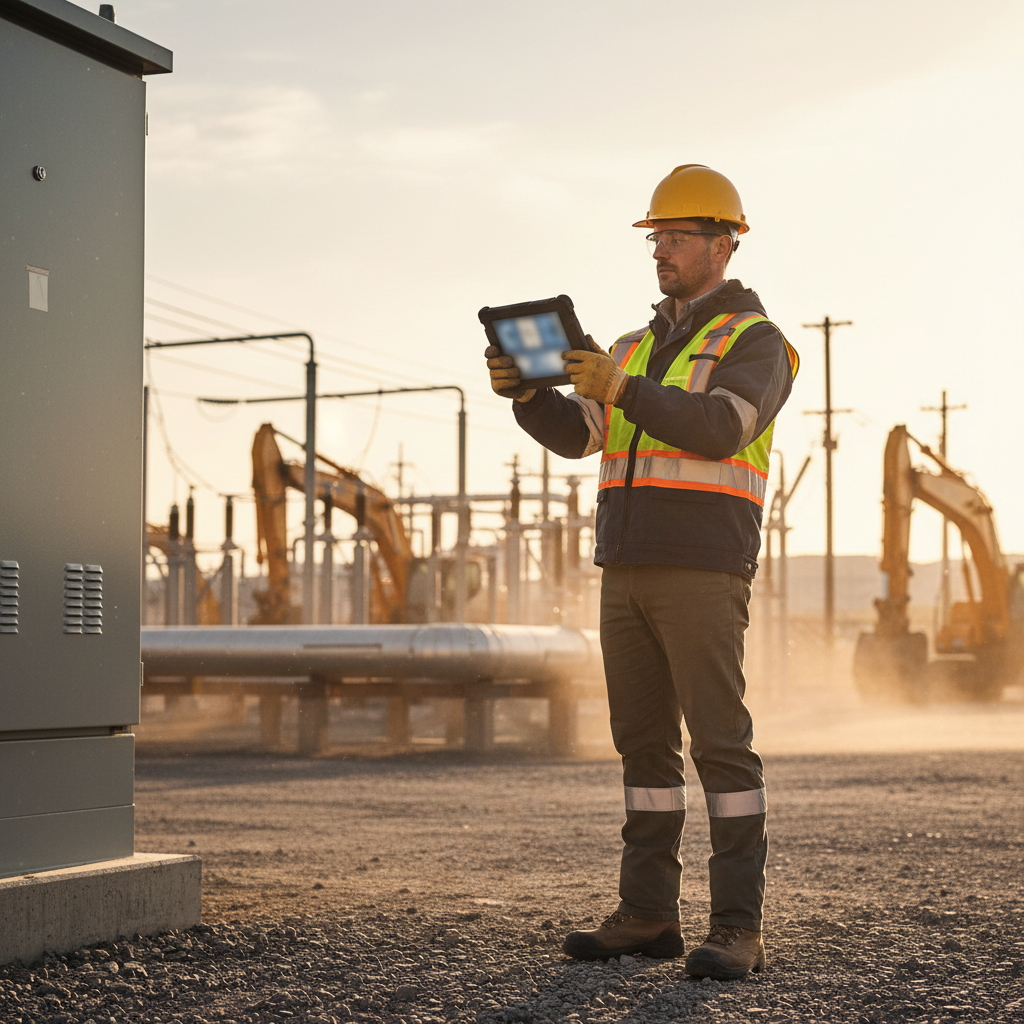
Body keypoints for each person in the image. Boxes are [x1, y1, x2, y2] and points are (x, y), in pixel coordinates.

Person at [485, 164, 799, 980]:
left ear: (724, 244)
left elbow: (720, 428)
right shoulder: (626, 347)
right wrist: (527, 398)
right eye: (655, 236)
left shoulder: (757, 343)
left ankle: (738, 927)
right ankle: (649, 913)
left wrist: (625, 388)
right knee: (643, 749)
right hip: (624, 564)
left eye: (677, 237)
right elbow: (581, 436)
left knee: (721, 747)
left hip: (702, 565)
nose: (660, 249)